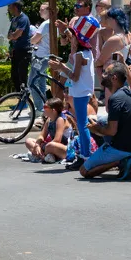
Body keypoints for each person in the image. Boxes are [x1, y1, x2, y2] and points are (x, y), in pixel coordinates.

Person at [82, 62, 131, 178]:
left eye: (105, 73)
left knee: (84, 171)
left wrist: (96, 129)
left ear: (114, 78)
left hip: (121, 149)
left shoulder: (115, 99)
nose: (102, 75)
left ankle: (119, 162)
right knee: (98, 120)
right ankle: (128, 161)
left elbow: (111, 131)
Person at [49, 16, 97, 170]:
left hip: (80, 91)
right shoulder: (86, 52)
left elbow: (74, 76)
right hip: (83, 91)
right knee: (82, 124)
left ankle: (85, 156)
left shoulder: (79, 55)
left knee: (82, 125)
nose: (71, 39)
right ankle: (85, 154)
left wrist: (61, 67)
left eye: (73, 36)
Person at [24, 98, 71, 163]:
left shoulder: (60, 119)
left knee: (50, 146)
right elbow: (42, 135)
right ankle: (45, 156)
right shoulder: (49, 119)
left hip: (64, 147)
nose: (43, 109)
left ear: (53, 110)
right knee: (28, 141)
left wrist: (43, 146)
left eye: (45, 107)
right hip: (51, 146)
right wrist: (37, 145)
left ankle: (40, 155)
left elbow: (57, 140)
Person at [28, 2, 52, 119]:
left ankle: (39, 108)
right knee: (41, 83)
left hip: (41, 57)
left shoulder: (45, 24)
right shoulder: (51, 23)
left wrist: (35, 40)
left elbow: (33, 40)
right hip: (46, 56)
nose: (40, 12)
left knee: (31, 83)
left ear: (48, 10)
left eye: (42, 9)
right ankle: (44, 107)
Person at [95, 6, 131, 81]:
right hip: (120, 75)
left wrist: (87, 65)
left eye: (108, 17)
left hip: (113, 78)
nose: (106, 19)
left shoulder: (114, 39)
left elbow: (101, 61)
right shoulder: (127, 35)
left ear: (113, 20)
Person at [7, 1, 31, 92]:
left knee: (22, 75)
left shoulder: (23, 19)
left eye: (10, 5)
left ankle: (24, 99)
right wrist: (13, 35)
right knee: (14, 75)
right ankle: (19, 97)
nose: (9, 8)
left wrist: (13, 35)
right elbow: (9, 35)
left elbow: (17, 34)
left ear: (15, 7)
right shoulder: (14, 19)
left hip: (24, 50)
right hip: (15, 50)